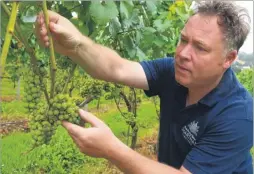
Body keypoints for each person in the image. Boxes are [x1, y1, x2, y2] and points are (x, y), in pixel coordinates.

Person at [35, 0, 253, 173]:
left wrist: (112, 150)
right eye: (183, 40)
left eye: (200, 48)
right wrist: (76, 44)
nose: (183, 54)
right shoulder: (173, 72)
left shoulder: (239, 115)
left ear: (228, 58)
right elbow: (116, 68)